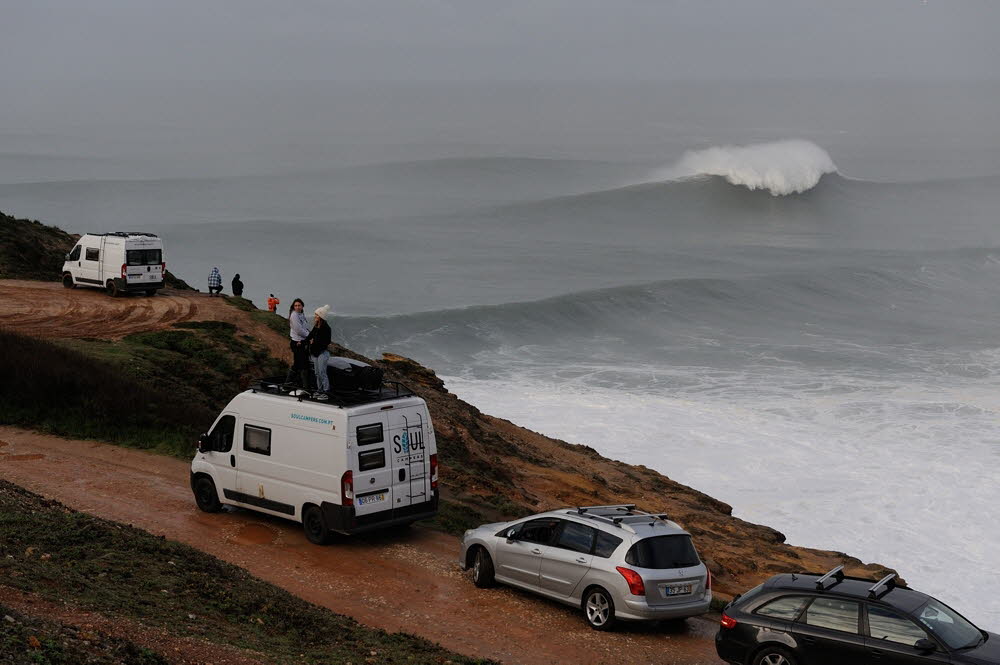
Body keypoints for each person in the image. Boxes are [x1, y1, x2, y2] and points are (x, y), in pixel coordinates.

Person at [307, 304, 333, 399]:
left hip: (322, 353)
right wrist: (303, 342)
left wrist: (314, 341)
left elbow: (326, 342)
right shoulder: (316, 326)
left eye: (317, 315)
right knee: (317, 373)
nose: (315, 316)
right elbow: (310, 336)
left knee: (322, 373)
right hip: (315, 353)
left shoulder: (326, 328)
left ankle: (326, 392)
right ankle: (320, 390)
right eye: (315, 314)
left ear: (321, 316)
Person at [286, 298, 311, 388]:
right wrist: (310, 337)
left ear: (302, 306)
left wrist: (309, 335)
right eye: (295, 305)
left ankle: (288, 384)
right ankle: (305, 387)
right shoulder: (294, 315)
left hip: (302, 342)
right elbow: (299, 330)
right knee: (303, 364)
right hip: (297, 343)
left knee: (297, 364)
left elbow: (304, 327)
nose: (297, 307)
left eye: (299, 305)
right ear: (293, 306)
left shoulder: (301, 314)